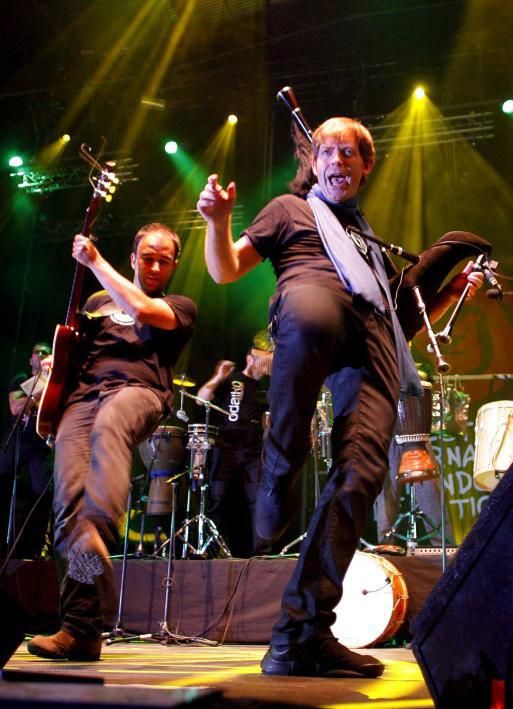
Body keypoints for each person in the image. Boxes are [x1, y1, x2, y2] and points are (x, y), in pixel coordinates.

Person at [197, 116, 483, 678]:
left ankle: (300, 635)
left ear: (364, 165)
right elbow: (225, 268)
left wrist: (449, 289)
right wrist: (218, 218)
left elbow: (402, 320)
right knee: (310, 313)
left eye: (350, 152)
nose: (338, 160)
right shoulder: (290, 210)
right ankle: (278, 470)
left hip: (373, 337)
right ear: (314, 161)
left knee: (362, 475)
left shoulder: (368, 242)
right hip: (312, 295)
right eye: (328, 150)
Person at [27, 222, 197, 661]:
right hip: (83, 399)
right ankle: (82, 630)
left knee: (111, 426)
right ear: (134, 257)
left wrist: (94, 261)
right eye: (147, 256)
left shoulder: (178, 306)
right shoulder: (98, 301)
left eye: (164, 259)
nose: (155, 265)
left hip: (138, 393)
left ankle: (103, 512)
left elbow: (141, 309)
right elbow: (75, 353)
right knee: (69, 512)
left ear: (174, 265)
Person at [197, 351, 270, 557]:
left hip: (253, 450)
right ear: (249, 359)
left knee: (258, 499)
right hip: (226, 445)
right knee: (218, 496)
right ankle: (212, 551)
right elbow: (201, 400)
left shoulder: (263, 389)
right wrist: (219, 376)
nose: (264, 367)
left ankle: (261, 552)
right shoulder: (233, 379)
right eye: (262, 361)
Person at [0, 342, 53, 558]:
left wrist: (36, 396)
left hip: (41, 446)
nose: (41, 356)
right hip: (17, 440)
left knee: (42, 494)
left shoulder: (54, 385)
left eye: (46, 353)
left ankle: (34, 546)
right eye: (37, 353)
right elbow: (15, 407)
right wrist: (40, 388)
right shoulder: (21, 379)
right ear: (31, 358)